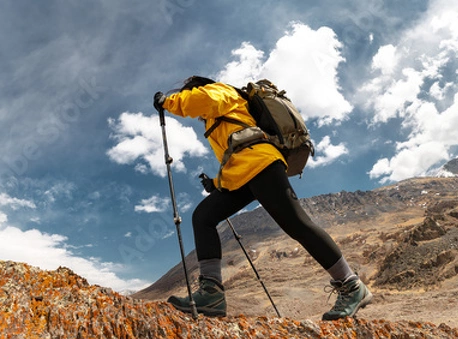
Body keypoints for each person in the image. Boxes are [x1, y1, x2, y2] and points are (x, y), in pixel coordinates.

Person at [153, 76, 372, 320]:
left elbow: (204, 102)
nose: (197, 117)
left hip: (262, 164)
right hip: (246, 172)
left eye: (189, 98)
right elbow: (237, 154)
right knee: (203, 217)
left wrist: (168, 102)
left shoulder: (218, 92)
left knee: (297, 224)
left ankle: (352, 285)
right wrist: (216, 184)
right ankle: (211, 293)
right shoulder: (220, 115)